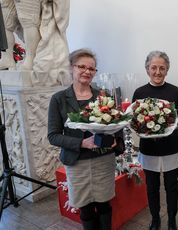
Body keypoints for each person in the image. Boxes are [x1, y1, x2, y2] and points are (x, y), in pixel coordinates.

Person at [48, 48, 125, 230]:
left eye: (91, 69)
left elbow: (117, 124)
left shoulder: (103, 95)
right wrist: (82, 143)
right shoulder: (59, 99)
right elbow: (53, 136)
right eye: (81, 66)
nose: (87, 71)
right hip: (77, 162)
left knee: (104, 204)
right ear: (71, 68)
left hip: (103, 160)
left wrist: (116, 142)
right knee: (85, 208)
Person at [132, 50, 178, 230]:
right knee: (152, 187)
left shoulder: (174, 91)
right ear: (147, 69)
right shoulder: (139, 92)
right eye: (153, 67)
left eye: (162, 68)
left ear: (167, 70)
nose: (157, 72)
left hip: (171, 148)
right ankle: (155, 219)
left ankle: (172, 220)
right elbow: (134, 122)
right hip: (149, 149)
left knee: (172, 186)